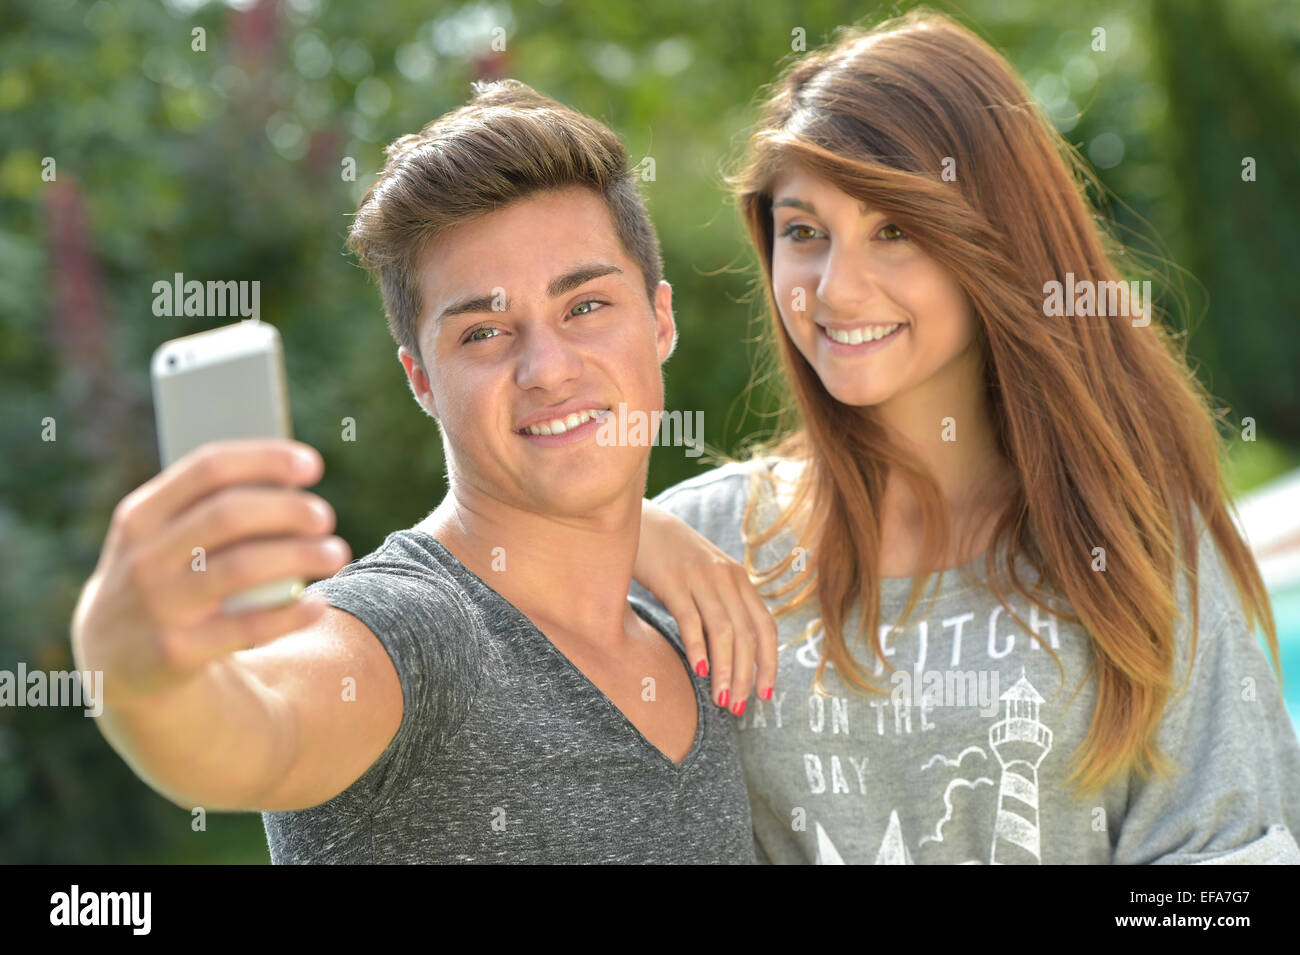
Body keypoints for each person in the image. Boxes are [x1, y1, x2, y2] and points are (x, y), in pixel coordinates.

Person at [630, 7, 1300, 864]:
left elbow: (1230, 877)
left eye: (895, 230)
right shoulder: (698, 550)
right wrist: (597, 540)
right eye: (804, 233)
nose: (836, 287)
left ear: (997, 243)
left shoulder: (1132, 538)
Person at [71, 80, 761, 864]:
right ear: (421, 378)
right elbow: (260, 727)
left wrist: (650, 533)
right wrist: (134, 675)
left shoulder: (694, 632)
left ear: (660, 319)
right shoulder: (416, 630)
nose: (547, 368)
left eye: (585, 307)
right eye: (484, 332)